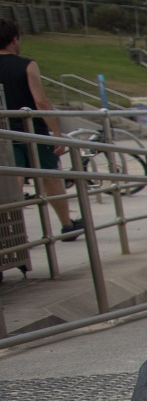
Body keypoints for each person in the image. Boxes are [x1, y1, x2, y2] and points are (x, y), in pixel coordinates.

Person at [0, 20, 81, 241]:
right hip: (33, 131)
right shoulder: (26, 65)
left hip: (5, 135)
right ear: (15, 39)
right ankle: (67, 225)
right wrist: (55, 133)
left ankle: (8, 230)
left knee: (11, 182)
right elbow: (41, 102)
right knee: (50, 177)